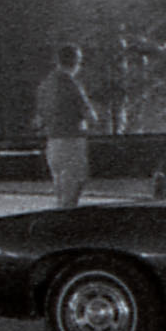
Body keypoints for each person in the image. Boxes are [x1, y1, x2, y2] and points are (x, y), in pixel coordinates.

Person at [37, 42, 102, 209]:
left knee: (60, 185)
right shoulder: (71, 84)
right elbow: (89, 113)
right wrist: (94, 123)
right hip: (72, 139)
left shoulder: (46, 84)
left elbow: (40, 116)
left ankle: (61, 216)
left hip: (53, 141)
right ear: (75, 61)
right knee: (75, 181)